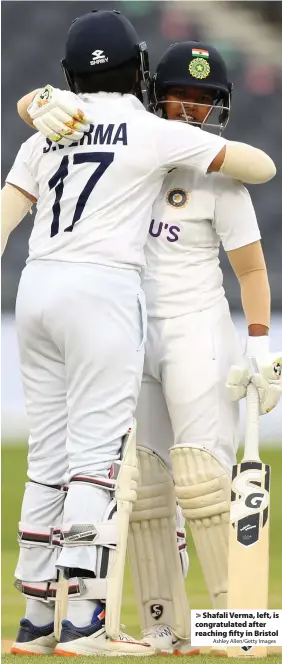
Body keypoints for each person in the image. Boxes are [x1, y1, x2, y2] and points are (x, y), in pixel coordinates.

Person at [10, 27, 278, 659]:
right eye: (181, 97)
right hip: (128, 328)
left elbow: (253, 271)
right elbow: (68, 129)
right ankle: (165, 625)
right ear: (150, 91)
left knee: (201, 480)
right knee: (146, 489)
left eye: (204, 99)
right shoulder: (140, 146)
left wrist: (261, 342)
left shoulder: (215, 176)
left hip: (195, 330)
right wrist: (35, 104)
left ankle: (233, 626)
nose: (192, 110)